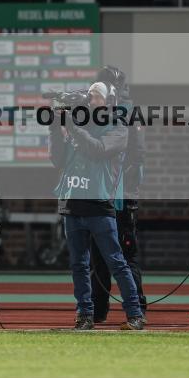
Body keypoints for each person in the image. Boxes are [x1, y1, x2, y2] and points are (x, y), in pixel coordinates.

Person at [49, 82, 145, 330]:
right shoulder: (78, 126)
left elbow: (98, 150)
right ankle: (84, 314)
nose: (89, 101)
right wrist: (55, 126)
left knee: (115, 261)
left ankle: (134, 314)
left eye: (95, 97)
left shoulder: (117, 127)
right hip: (73, 203)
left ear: (109, 102)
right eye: (88, 96)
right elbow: (57, 159)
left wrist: (72, 126)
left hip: (99, 205)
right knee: (79, 265)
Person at [88, 67, 147, 323]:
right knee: (104, 253)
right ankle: (102, 309)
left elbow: (136, 156)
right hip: (108, 192)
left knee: (120, 254)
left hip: (117, 194)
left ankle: (134, 308)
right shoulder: (107, 111)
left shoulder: (125, 113)